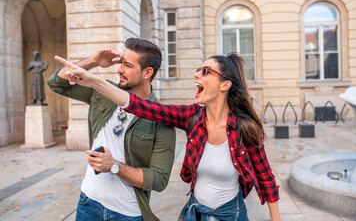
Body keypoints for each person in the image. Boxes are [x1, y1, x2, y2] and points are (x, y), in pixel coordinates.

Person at [56, 52, 281, 221]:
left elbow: (266, 179)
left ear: (225, 84)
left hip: (231, 214)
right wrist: (93, 80)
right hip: (195, 212)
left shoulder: (246, 129)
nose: (196, 74)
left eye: (205, 71)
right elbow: (139, 106)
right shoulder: (192, 117)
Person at [47, 38, 176, 221]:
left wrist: (114, 166)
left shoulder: (160, 118)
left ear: (147, 72)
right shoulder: (103, 92)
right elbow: (56, 83)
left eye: (128, 65)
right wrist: (92, 61)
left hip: (127, 213)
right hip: (88, 203)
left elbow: (159, 179)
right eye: (121, 62)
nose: (119, 69)